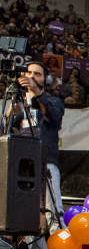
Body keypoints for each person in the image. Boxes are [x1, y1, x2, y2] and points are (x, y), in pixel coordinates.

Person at [9, 62, 65, 229]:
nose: (32, 76)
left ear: (45, 79)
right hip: (22, 166)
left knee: (53, 210)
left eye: (37, 74)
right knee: (25, 211)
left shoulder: (54, 101)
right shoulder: (16, 104)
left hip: (46, 161)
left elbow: (54, 117)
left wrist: (36, 93)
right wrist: (11, 116)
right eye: (29, 73)